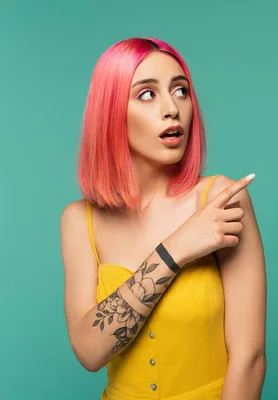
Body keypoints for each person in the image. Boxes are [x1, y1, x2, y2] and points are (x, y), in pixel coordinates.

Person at [59, 37, 267, 400]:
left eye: (181, 90)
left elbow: (249, 359)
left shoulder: (222, 200)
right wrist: (174, 250)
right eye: (147, 94)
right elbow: (90, 352)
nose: (172, 108)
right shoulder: (79, 220)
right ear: (109, 112)